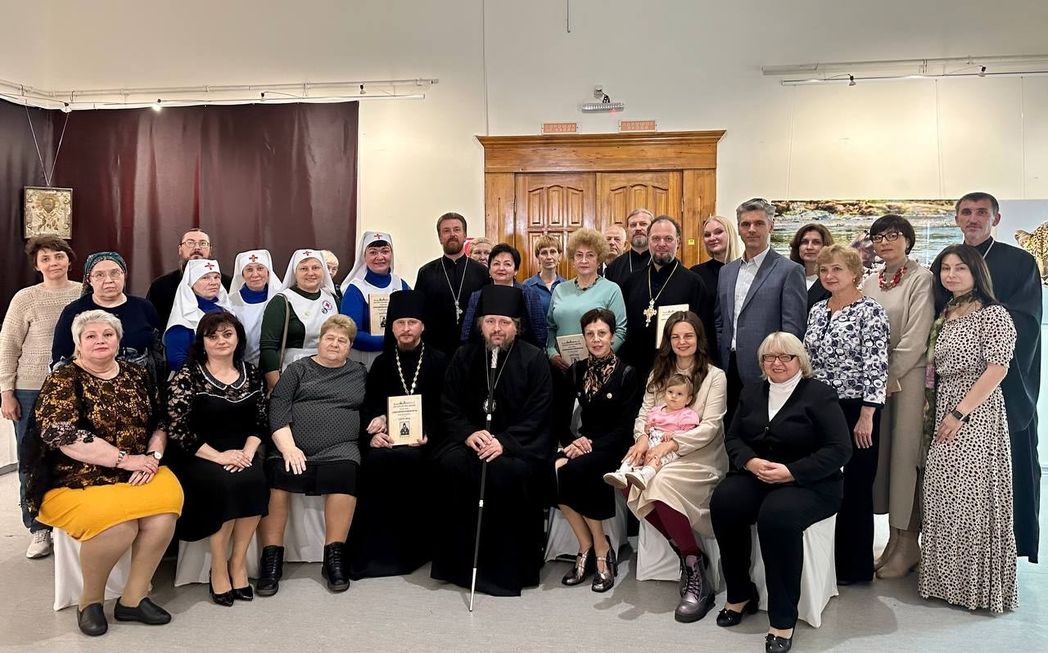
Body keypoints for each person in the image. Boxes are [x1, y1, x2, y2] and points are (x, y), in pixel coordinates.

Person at [23, 310, 184, 636]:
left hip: (137, 468)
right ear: (78, 343)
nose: (100, 341)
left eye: (107, 334)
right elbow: (63, 434)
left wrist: (152, 456)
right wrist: (126, 460)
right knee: (119, 528)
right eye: (91, 336)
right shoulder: (64, 378)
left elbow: (160, 420)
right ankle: (90, 601)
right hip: (74, 477)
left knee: (164, 513)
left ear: (118, 340)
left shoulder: (135, 373)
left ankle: (133, 599)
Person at [710, 332, 851, 653]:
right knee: (724, 502)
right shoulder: (751, 392)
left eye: (785, 356)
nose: (777, 363)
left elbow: (840, 449)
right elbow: (733, 438)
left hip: (811, 483)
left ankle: (783, 619)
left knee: (777, 516)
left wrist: (792, 471)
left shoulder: (820, 394)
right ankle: (740, 594)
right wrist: (751, 461)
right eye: (769, 357)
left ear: (800, 360)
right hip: (759, 475)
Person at [430, 285, 554, 596]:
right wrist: (468, 433)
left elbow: (539, 413)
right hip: (471, 441)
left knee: (509, 472)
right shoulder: (464, 356)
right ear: (480, 324)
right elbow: (449, 405)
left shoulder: (534, 359)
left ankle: (508, 570)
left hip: (516, 447)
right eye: (490, 321)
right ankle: (457, 566)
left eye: (504, 322)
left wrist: (505, 442)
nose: (497, 328)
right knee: (452, 465)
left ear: (517, 326)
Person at [921, 244, 1017, 612]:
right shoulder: (947, 311)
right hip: (945, 406)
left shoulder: (993, 314)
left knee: (971, 497)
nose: (951, 275)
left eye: (960, 268)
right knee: (943, 493)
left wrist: (959, 413)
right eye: (945, 268)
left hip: (975, 413)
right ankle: (945, 581)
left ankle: (974, 587)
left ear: (976, 272)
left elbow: (998, 368)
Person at [953, 191, 1041, 562]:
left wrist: (976, 330)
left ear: (996, 219)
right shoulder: (949, 261)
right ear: (957, 218)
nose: (973, 219)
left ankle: (1003, 552)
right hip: (954, 386)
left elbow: (1027, 321)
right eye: (966, 212)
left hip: (1004, 384)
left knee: (1007, 471)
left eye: (981, 212)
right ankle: (956, 550)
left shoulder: (1020, 262)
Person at [624, 311, 728, 623]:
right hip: (656, 449)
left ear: (699, 339)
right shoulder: (659, 373)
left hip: (699, 455)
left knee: (660, 483)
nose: (682, 342)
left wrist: (670, 445)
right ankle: (688, 552)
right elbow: (644, 415)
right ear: (668, 341)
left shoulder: (715, 377)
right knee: (628, 479)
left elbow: (710, 427)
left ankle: (695, 572)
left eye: (688, 336)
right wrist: (642, 440)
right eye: (676, 337)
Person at [256, 314, 366, 595]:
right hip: (292, 446)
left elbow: (373, 405)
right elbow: (278, 407)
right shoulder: (298, 369)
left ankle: (334, 558)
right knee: (276, 476)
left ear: (350, 346)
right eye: (330, 338)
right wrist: (288, 447)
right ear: (320, 340)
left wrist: (381, 419)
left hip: (340, 448)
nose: (335, 344)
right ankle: (271, 559)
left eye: (342, 340)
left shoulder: (359, 373)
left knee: (346, 474)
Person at [166, 312, 269, 605]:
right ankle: (219, 567)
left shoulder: (252, 373)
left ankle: (238, 563)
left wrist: (247, 453)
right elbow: (178, 429)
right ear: (202, 342)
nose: (221, 341)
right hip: (200, 454)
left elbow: (261, 422)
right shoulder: (189, 375)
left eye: (227, 334)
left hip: (242, 451)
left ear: (238, 338)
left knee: (255, 479)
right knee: (225, 485)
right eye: (212, 336)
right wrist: (220, 457)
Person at [804, 244, 889, 584]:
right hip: (820, 408)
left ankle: (854, 568)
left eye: (837, 269)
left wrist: (868, 415)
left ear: (855, 273)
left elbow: (876, 366)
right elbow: (808, 360)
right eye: (824, 270)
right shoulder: (817, 309)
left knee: (856, 485)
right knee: (824, 482)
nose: (829, 275)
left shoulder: (870, 311)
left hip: (857, 409)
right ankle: (824, 562)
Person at [348, 290, 449, 579]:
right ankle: (378, 553)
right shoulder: (381, 363)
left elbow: (448, 407)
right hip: (389, 440)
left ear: (422, 326)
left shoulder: (440, 361)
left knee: (414, 461)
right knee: (377, 461)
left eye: (412, 323)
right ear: (391, 328)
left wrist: (429, 432)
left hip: (428, 441)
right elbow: (370, 405)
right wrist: (374, 430)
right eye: (400, 323)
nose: (406, 329)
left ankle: (416, 549)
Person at [862, 215, 934, 579]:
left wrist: (887, 376)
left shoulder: (922, 278)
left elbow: (917, 337)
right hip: (877, 382)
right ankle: (892, 541)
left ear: (908, 239)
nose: (885, 242)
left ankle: (908, 543)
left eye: (893, 235)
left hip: (907, 379)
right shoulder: (869, 281)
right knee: (884, 461)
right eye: (878, 236)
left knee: (906, 459)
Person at [0, 235, 80, 559]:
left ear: (69, 260)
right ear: (36, 265)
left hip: (75, 386)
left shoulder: (84, 293)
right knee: (32, 459)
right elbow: (8, 345)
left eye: (58, 256)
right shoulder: (25, 298)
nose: (53, 263)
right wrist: (6, 392)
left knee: (73, 457)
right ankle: (38, 528)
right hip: (31, 388)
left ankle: (69, 524)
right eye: (45, 258)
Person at [554, 308, 641, 593]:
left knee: (581, 470)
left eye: (602, 333)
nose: (596, 339)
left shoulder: (627, 373)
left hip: (614, 446)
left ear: (612, 336)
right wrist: (572, 442)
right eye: (590, 334)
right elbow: (560, 419)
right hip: (583, 443)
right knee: (553, 468)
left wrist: (589, 446)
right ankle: (586, 545)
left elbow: (626, 428)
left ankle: (602, 549)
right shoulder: (576, 370)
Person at [715, 198, 807, 425]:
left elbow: (792, 329)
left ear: (771, 226)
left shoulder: (790, 271)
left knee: (763, 431)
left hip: (767, 368)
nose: (752, 229)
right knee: (731, 429)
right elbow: (720, 320)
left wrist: (780, 364)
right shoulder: (727, 271)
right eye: (745, 224)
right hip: (728, 367)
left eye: (759, 223)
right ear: (738, 229)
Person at [546, 228, 627, 437]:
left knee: (591, 426)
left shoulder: (611, 289)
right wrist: (551, 352)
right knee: (561, 421)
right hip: (562, 368)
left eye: (590, 255)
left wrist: (598, 356)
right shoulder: (560, 289)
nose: (584, 260)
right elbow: (550, 326)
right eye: (579, 255)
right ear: (572, 259)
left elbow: (620, 329)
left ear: (599, 258)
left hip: (597, 371)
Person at [619, 215, 716, 382]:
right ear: (648, 241)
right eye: (656, 238)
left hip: (675, 372)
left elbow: (705, 333)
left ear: (678, 242)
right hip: (634, 370)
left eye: (668, 239)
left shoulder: (693, 283)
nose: (661, 244)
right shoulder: (632, 282)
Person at [52, 252, 164, 383]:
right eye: (99, 275)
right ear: (89, 280)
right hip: (89, 385)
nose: (109, 280)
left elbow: (157, 349)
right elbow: (60, 356)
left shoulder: (144, 307)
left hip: (140, 384)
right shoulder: (74, 311)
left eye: (115, 273)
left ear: (124, 275)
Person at [259, 248, 340, 390]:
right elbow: (268, 347)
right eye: (304, 269)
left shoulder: (332, 298)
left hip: (331, 370)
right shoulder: (282, 301)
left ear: (323, 271)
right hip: (293, 373)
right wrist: (278, 387)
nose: (311, 273)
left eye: (315, 267)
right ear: (295, 272)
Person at [414, 213, 490, 356]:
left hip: (474, 349)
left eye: (457, 229)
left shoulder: (482, 272)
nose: (452, 234)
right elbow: (419, 313)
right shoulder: (426, 272)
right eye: (446, 231)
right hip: (435, 350)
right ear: (440, 238)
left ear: (465, 235)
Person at [605, 373, 697, 490]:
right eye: (670, 392)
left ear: (688, 399)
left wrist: (675, 434)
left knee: (657, 459)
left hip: (668, 446)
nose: (673, 396)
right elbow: (647, 424)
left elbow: (689, 433)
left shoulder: (687, 415)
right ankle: (621, 473)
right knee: (636, 453)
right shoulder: (657, 410)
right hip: (652, 439)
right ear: (665, 393)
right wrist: (647, 429)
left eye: (679, 394)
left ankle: (644, 475)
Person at [339, 231, 411, 370]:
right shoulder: (355, 289)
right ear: (364, 256)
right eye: (373, 252)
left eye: (385, 251)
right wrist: (391, 341)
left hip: (398, 356)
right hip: (365, 359)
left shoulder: (401, 284)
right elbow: (351, 332)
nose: (380, 257)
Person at [460, 243, 547, 347]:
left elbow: (540, 330)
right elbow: (467, 332)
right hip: (484, 352)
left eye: (507, 264)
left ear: (516, 270)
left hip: (523, 352)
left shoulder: (529, 294)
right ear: (489, 269)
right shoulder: (477, 296)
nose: (501, 268)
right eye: (496, 264)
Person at [146, 228, 232, 326]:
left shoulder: (226, 283)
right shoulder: (161, 285)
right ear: (180, 249)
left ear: (210, 250)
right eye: (190, 243)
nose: (197, 247)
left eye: (203, 243)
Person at [163, 260, 232, 372]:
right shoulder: (183, 318)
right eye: (205, 278)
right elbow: (176, 361)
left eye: (216, 277)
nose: (213, 282)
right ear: (191, 283)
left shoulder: (226, 310)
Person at [228, 249, 282, 366]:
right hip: (243, 363)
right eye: (249, 270)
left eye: (260, 268)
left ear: (268, 272)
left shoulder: (282, 297)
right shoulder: (230, 301)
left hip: (277, 363)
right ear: (242, 275)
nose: (255, 274)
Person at [690, 215, 743, 293]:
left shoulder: (744, 270)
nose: (712, 238)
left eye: (718, 232)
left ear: (730, 234)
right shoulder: (696, 273)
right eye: (707, 235)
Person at [789, 223, 834, 311]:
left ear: (826, 246)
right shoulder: (788, 277)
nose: (809, 247)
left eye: (816, 242)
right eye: (804, 242)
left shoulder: (833, 281)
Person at [604, 208, 653, 286]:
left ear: (653, 228)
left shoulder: (664, 262)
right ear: (627, 231)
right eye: (633, 225)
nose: (638, 228)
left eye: (643, 224)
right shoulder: (614, 267)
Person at [521, 235, 565, 318]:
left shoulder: (566, 286)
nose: (549, 257)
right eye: (544, 253)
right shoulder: (527, 286)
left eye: (553, 252)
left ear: (559, 255)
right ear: (538, 257)